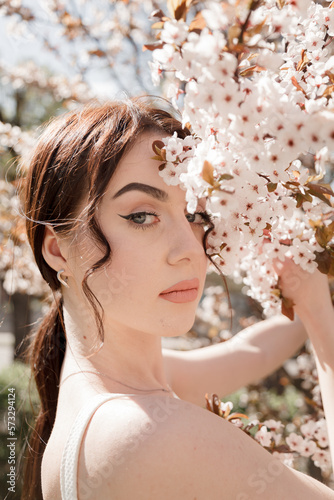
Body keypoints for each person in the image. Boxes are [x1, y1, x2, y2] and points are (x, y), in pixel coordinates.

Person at [21, 98, 334, 500]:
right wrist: (317, 312)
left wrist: (304, 298)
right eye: (141, 216)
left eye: (196, 214)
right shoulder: (148, 434)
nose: (190, 249)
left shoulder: (121, 392)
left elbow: (250, 351)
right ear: (59, 250)